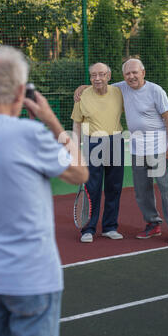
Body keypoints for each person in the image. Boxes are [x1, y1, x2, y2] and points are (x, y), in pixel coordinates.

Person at [0, 46, 88, 336]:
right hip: (34, 278)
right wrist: (49, 119)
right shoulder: (31, 134)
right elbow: (79, 173)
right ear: (22, 91)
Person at [75, 58, 168, 244]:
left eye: (135, 72)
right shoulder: (121, 88)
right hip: (136, 150)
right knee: (142, 191)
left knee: (167, 189)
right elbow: (100, 83)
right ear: (123, 76)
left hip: (159, 148)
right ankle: (152, 224)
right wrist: (83, 87)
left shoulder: (156, 91)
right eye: (127, 73)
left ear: (143, 73)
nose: (131, 76)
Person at [71, 62, 124, 243]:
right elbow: (77, 124)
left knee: (114, 188)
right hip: (92, 143)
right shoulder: (82, 96)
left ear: (109, 76)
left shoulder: (119, 92)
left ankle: (110, 227)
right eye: (93, 75)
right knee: (91, 188)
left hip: (116, 141)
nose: (97, 78)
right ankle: (88, 228)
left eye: (101, 74)